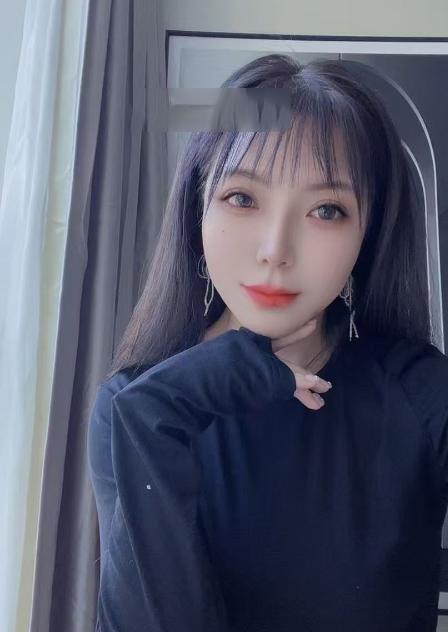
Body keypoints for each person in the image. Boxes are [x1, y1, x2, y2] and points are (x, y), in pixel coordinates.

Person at [87, 53, 448, 631]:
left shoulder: (420, 395)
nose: (275, 250)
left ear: (368, 234)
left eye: (326, 210)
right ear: (197, 208)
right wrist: (166, 406)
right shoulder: (136, 405)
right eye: (242, 198)